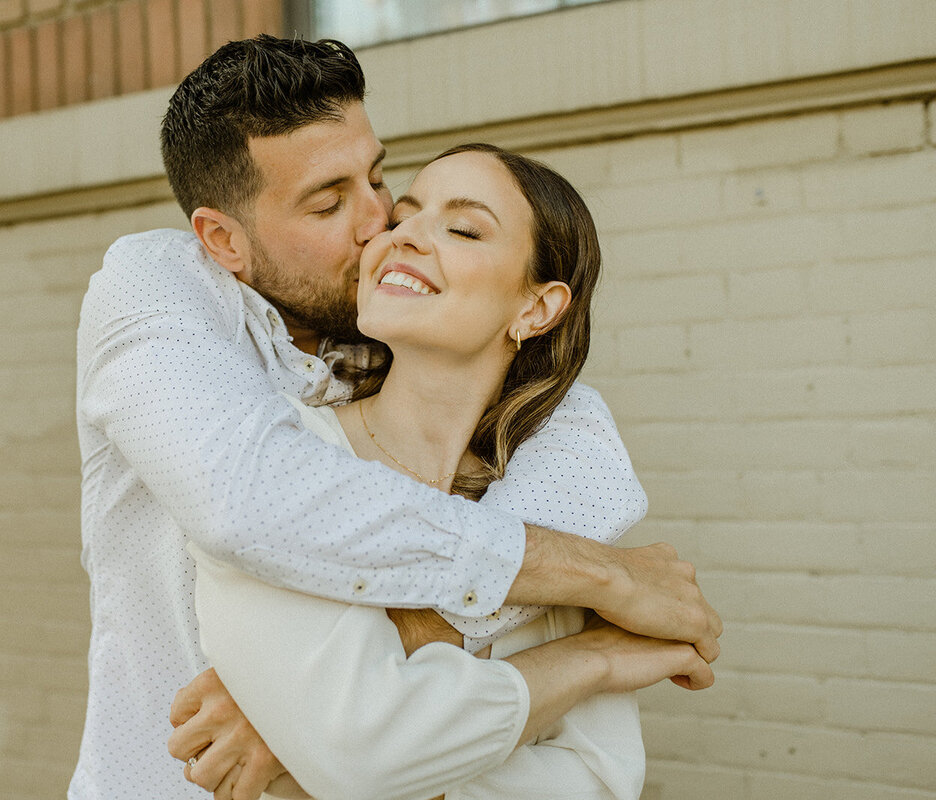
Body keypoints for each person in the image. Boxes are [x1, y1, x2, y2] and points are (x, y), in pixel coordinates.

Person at [72, 35, 720, 800]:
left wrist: (332, 712)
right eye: (328, 202)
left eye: (378, 178)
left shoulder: (405, 345)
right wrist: (303, 710)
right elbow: (249, 501)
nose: (379, 221)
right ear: (224, 241)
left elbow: (576, 436)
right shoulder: (157, 293)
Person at [183, 144, 711, 800]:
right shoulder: (280, 462)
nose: (404, 239)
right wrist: (591, 659)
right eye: (401, 219)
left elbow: (601, 779)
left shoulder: (551, 506)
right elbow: (366, 751)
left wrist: (401, 762)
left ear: (536, 308)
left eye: (462, 229)